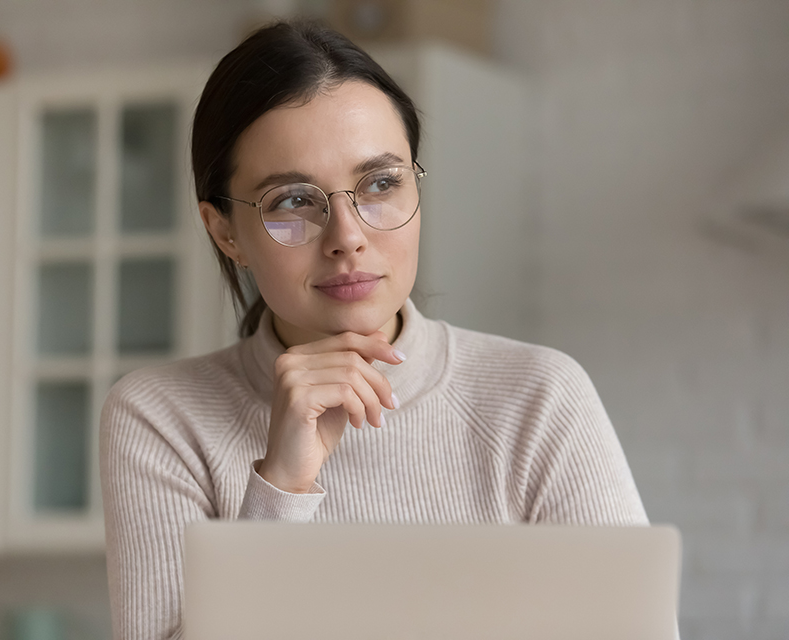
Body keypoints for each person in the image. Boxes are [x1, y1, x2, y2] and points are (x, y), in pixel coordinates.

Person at [100, 19, 648, 640]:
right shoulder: (160, 419)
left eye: (380, 184)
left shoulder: (539, 397)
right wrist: (280, 487)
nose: (347, 237)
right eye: (292, 201)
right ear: (225, 231)